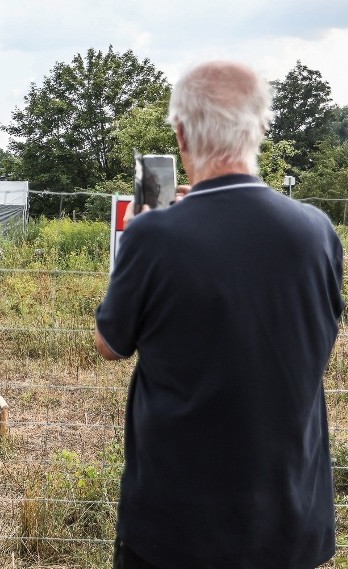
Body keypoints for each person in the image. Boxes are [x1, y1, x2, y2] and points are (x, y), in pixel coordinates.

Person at [95, 61, 344, 569]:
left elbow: (110, 344)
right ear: (262, 126)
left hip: (178, 525)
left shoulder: (154, 235)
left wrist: (140, 235)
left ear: (181, 134)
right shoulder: (317, 232)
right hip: (290, 519)